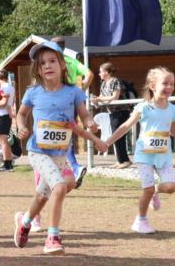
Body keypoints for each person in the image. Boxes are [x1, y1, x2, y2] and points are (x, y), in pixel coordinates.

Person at [13, 40, 107, 255]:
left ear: (63, 65)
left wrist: (91, 124)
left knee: (43, 195)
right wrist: (20, 127)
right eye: (42, 63)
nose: (47, 66)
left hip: (60, 154)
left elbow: (83, 116)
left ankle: (24, 221)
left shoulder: (73, 92)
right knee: (60, 187)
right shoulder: (33, 92)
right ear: (37, 69)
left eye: (52, 61)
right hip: (38, 151)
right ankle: (52, 237)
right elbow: (21, 114)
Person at [102, 67, 175, 233]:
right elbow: (125, 126)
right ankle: (141, 221)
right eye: (165, 83)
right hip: (144, 155)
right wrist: (107, 142)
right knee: (147, 188)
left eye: (172, 84)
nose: (169, 87)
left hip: (163, 156)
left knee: (171, 187)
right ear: (152, 86)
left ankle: (155, 193)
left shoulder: (173, 109)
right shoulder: (144, 107)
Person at [52, 37, 96, 187]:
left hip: (58, 101)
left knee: (58, 136)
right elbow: (89, 74)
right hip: (72, 101)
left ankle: (74, 168)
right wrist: (81, 89)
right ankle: (70, 169)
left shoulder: (55, 62)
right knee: (65, 135)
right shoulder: (71, 61)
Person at [91, 62, 134, 169]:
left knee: (118, 136)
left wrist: (100, 99)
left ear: (106, 72)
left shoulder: (115, 81)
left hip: (122, 112)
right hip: (113, 112)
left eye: (100, 71)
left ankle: (125, 160)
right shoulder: (103, 83)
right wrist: (96, 99)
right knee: (115, 136)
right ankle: (121, 160)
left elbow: (115, 97)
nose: (99, 74)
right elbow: (102, 96)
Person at [0, 69, 16, 172]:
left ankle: (7, 165)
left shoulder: (4, 87)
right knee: (3, 141)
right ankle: (8, 164)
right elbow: (11, 102)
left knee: (3, 141)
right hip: (6, 116)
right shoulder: (11, 87)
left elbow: (4, 102)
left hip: (2, 116)